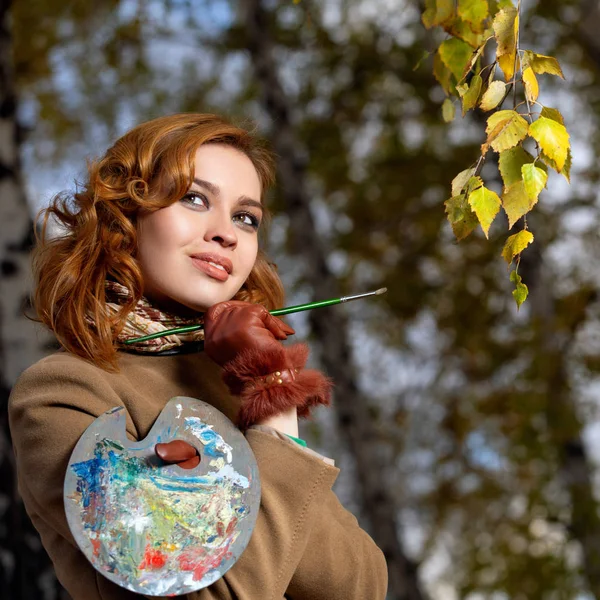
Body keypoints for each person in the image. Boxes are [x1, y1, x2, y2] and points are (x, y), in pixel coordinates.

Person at [8, 113, 388, 599]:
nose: (226, 233)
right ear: (125, 216)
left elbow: (361, 584)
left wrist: (269, 401)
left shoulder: (233, 384)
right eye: (194, 198)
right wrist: (271, 408)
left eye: (246, 218)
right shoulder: (62, 391)